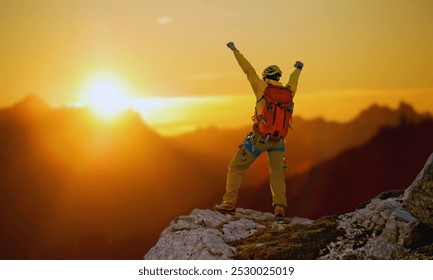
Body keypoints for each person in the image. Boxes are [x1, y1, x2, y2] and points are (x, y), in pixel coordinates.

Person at [214, 42, 303, 217]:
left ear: (265, 76)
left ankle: (229, 202)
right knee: (277, 173)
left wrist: (235, 51)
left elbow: (248, 69)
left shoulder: (262, 88)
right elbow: (294, 80)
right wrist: (298, 69)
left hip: (260, 139)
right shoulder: (289, 92)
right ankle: (279, 207)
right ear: (278, 77)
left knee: (235, 166)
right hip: (279, 142)